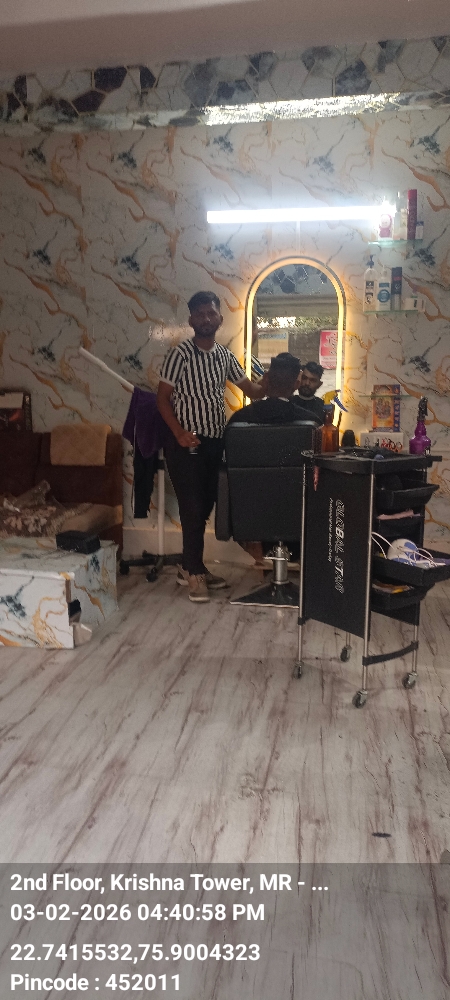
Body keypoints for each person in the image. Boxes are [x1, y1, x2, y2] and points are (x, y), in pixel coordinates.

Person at [157, 291, 264, 603]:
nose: (206, 318)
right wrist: (178, 433)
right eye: (200, 314)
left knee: (203, 508)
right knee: (192, 508)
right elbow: (162, 399)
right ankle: (194, 574)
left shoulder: (225, 357)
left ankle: (190, 565)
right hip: (185, 443)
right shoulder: (180, 355)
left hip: (215, 442)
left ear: (220, 318)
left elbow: (252, 390)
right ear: (191, 320)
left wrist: (278, 380)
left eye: (211, 313)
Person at [227, 353, 319, 565]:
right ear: (296, 384)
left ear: (266, 379)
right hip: (298, 516)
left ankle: (259, 552)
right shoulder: (311, 423)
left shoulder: (239, 420)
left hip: (249, 519)